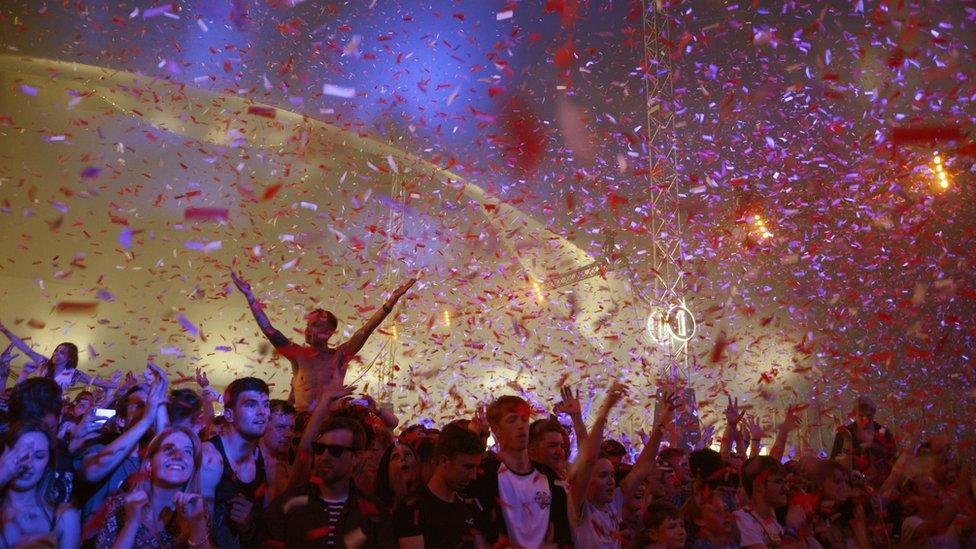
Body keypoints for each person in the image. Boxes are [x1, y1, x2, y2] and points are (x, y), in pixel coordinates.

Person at [230, 270, 416, 410]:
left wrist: (390, 302)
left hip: (329, 426)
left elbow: (365, 330)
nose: (308, 329)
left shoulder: (340, 356)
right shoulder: (298, 355)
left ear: (328, 332)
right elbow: (269, 330)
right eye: (308, 324)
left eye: (315, 325)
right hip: (301, 426)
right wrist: (250, 297)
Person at [262, 415, 393, 547]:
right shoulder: (288, 505)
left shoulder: (374, 512)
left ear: (356, 457)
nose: (324, 456)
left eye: (335, 450)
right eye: (319, 448)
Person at [463, 394, 573, 548]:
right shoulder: (485, 475)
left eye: (524, 419)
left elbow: (563, 533)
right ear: (496, 430)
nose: (521, 426)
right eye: (512, 420)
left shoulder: (547, 476)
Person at [94, 427, 209, 548]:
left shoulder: (197, 509)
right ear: (149, 464)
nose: (179, 456)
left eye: (188, 451)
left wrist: (198, 523)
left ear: (193, 467)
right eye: (169, 449)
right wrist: (131, 524)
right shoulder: (119, 506)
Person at [79, 370, 169, 521]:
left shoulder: (152, 462)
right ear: (121, 420)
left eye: (151, 406)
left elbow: (168, 446)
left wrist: (160, 403)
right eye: (140, 405)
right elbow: (92, 471)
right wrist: (145, 420)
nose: (149, 410)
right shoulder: (100, 447)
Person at [200, 377, 270, 548]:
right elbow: (200, 531)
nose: (262, 411)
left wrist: (246, 526)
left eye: (266, 404)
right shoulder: (209, 458)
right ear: (229, 415)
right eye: (251, 404)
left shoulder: (261, 456)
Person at [393, 424, 486, 548]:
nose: (473, 476)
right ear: (444, 461)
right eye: (467, 467)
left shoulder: (470, 506)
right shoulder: (413, 508)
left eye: (476, 468)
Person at [0, 420, 80, 548]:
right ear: (4, 454)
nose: (27, 464)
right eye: (21, 453)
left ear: (48, 463)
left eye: (39, 456)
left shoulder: (64, 517)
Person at [8, 377, 76, 505]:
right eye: (28, 429)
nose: (39, 439)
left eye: (47, 429)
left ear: (60, 417)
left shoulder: (62, 449)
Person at [0, 322, 118, 394]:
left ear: (69, 358)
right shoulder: (43, 363)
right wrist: (5, 330)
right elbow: (24, 348)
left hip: (52, 409)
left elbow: (100, 382)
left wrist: (126, 386)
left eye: (61, 352)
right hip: (34, 402)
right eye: (56, 351)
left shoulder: (74, 374)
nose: (56, 354)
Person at [830, 396, 897, 486]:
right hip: (852, 487)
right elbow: (833, 464)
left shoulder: (884, 432)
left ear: (873, 414)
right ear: (855, 414)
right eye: (861, 416)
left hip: (881, 487)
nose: (865, 420)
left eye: (868, 416)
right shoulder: (844, 433)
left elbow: (894, 459)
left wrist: (876, 447)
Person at [735, 455, 789, 548]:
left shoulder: (771, 521)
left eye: (786, 482)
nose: (786, 488)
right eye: (779, 482)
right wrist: (793, 529)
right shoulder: (742, 519)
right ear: (759, 485)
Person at [260, 399, 296, 502]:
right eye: (280, 427)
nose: (289, 434)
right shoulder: (249, 465)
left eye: (292, 428)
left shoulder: (287, 466)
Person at [374, 441, 420, 512]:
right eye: (395, 456)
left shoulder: (428, 502)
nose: (403, 458)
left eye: (408, 454)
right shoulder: (376, 507)